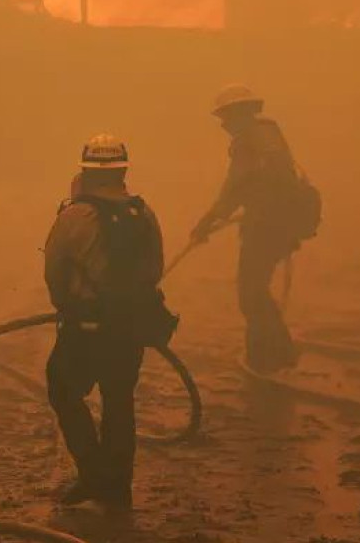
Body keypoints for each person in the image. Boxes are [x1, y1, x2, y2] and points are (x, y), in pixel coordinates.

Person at [45, 134, 171, 511]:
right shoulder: (143, 214)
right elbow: (154, 270)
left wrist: (66, 306)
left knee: (63, 390)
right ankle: (117, 486)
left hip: (84, 327)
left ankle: (94, 473)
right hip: (128, 328)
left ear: (85, 171)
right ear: (123, 171)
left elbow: (54, 271)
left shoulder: (73, 216)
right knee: (119, 401)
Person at [190, 85, 314, 373]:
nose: (223, 125)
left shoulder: (249, 141)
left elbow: (234, 188)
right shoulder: (269, 136)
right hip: (279, 225)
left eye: (225, 117)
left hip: (265, 227)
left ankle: (273, 356)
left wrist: (206, 222)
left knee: (251, 294)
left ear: (240, 114)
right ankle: (275, 353)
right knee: (256, 290)